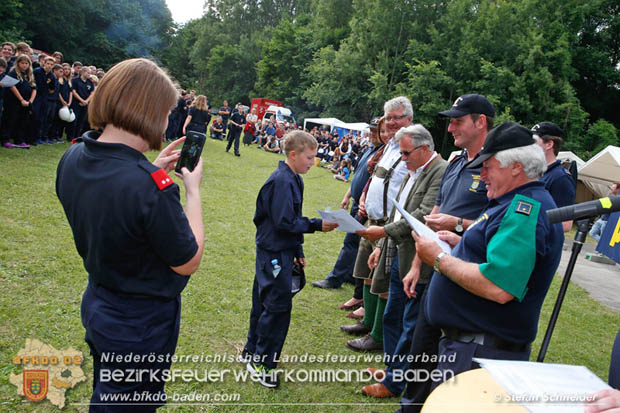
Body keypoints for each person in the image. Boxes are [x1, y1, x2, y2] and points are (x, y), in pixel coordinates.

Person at [56, 58, 204, 412]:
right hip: (140, 324)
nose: (168, 120)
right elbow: (188, 260)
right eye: (166, 111)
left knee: (108, 393)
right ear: (150, 112)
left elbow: (113, 194)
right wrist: (193, 193)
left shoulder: (74, 155)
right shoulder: (152, 187)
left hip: (99, 302)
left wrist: (148, 171)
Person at [414, 122, 563, 391]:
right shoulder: (511, 201)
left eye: (488, 166)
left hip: (480, 353)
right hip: (473, 348)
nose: (481, 175)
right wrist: (461, 245)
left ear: (517, 166)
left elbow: (499, 286)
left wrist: (439, 258)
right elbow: (498, 255)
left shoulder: (523, 210)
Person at [399, 93, 495, 412]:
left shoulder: (496, 168)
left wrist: (459, 224)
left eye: (458, 120)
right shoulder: (455, 163)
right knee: (422, 343)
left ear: (480, 122)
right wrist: (416, 265)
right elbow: (431, 219)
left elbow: (499, 224)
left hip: (470, 276)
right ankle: (410, 405)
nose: (451, 127)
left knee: (454, 356)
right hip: (439, 270)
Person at [241, 130, 337, 388]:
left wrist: (298, 251)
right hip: (273, 254)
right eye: (308, 157)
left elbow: (292, 217)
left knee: (266, 302)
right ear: (292, 155)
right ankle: (262, 363)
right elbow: (284, 222)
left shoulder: (295, 179)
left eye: (314, 157)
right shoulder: (281, 181)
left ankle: (252, 351)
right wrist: (318, 225)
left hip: (282, 251)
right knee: (276, 307)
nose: (312, 162)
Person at [356, 124, 447, 398]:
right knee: (392, 316)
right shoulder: (415, 170)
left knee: (409, 322)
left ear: (425, 148)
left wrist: (383, 233)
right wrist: (383, 245)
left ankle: (396, 381)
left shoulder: (439, 171)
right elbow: (400, 213)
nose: (402, 157)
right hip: (399, 253)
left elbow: (421, 216)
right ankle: (392, 369)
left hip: (416, 260)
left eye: (406, 152)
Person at [340, 96, 413, 352]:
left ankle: (378, 336)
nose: (392, 123)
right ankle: (368, 323)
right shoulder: (389, 146)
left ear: (409, 120)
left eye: (397, 118)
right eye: (388, 118)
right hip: (371, 219)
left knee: (381, 279)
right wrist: (363, 199)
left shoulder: (410, 146)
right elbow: (377, 180)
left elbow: (406, 190)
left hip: (388, 224)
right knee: (369, 275)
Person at [532, 121, 576, 231]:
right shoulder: (535, 173)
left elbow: (566, 224)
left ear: (549, 145)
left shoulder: (561, 178)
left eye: (533, 141)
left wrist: (528, 225)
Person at [0, 54, 36, 149]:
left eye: (26, 63)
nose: (24, 65)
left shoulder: (29, 75)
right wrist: (21, 99)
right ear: (18, 63)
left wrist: (30, 101)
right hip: (13, 101)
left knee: (22, 121)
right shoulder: (13, 73)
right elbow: (12, 86)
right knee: (10, 120)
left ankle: (19, 140)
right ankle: (5, 139)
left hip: (26, 102)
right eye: (22, 63)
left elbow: (34, 88)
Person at [70, 66, 94, 140]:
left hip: (85, 104)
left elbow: (92, 93)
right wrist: (81, 100)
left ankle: (78, 136)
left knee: (81, 121)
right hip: (76, 103)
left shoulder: (90, 82)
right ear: (83, 72)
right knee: (75, 120)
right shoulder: (75, 80)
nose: (89, 74)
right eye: (88, 73)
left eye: (90, 73)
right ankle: (71, 136)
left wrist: (86, 101)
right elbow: (74, 91)